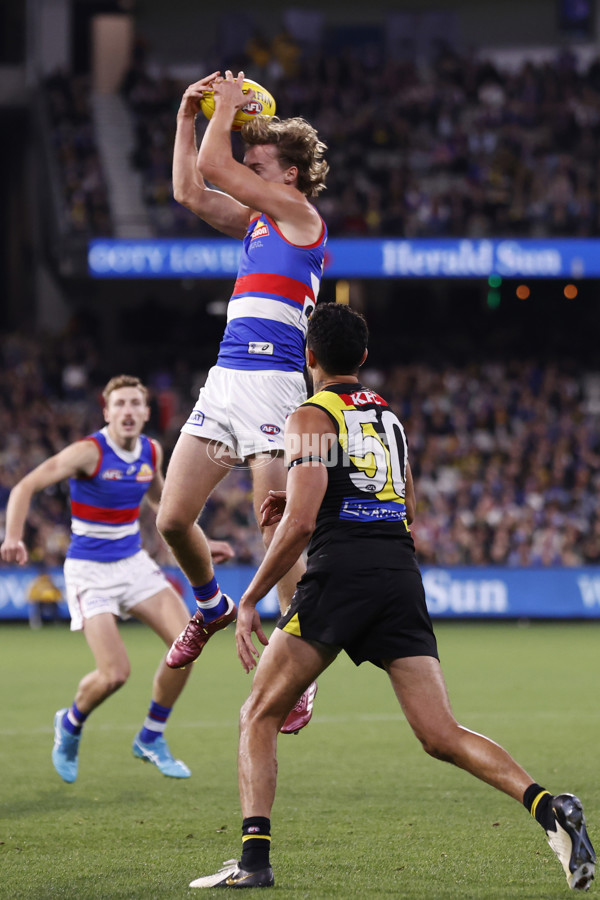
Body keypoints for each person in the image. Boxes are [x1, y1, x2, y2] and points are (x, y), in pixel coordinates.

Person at [188, 303, 595, 891]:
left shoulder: (310, 416)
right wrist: (314, 503)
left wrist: (249, 597)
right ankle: (548, 808)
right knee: (441, 734)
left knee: (259, 712)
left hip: (340, 574)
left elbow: (299, 524)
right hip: (397, 573)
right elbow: (400, 506)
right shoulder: (389, 417)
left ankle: (253, 863)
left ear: (308, 358)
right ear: (364, 358)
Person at [157, 70, 328, 734]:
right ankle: (209, 608)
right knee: (174, 520)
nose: (244, 170)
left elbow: (213, 163)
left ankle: (296, 676)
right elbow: (187, 187)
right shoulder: (262, 220)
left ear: (287, 176)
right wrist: (184, 117)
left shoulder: (300, 217)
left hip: (275, 385)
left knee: (273, 525)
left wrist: (222, 110)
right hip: (226, 378)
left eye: (257, 164)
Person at [0, 374, 233, 783]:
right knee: (114, 674)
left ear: (146, 413)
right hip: (89, 571)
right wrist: (14, 537)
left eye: (134, 404)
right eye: (119, 404)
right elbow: (25, 486)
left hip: (135, 565)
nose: (127, 411)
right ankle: (70, 722)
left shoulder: (151, 452)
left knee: (186, 646)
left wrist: (201, 540)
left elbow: (164, 503)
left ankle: (151, 735)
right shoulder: (88, 453)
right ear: (106, 412)